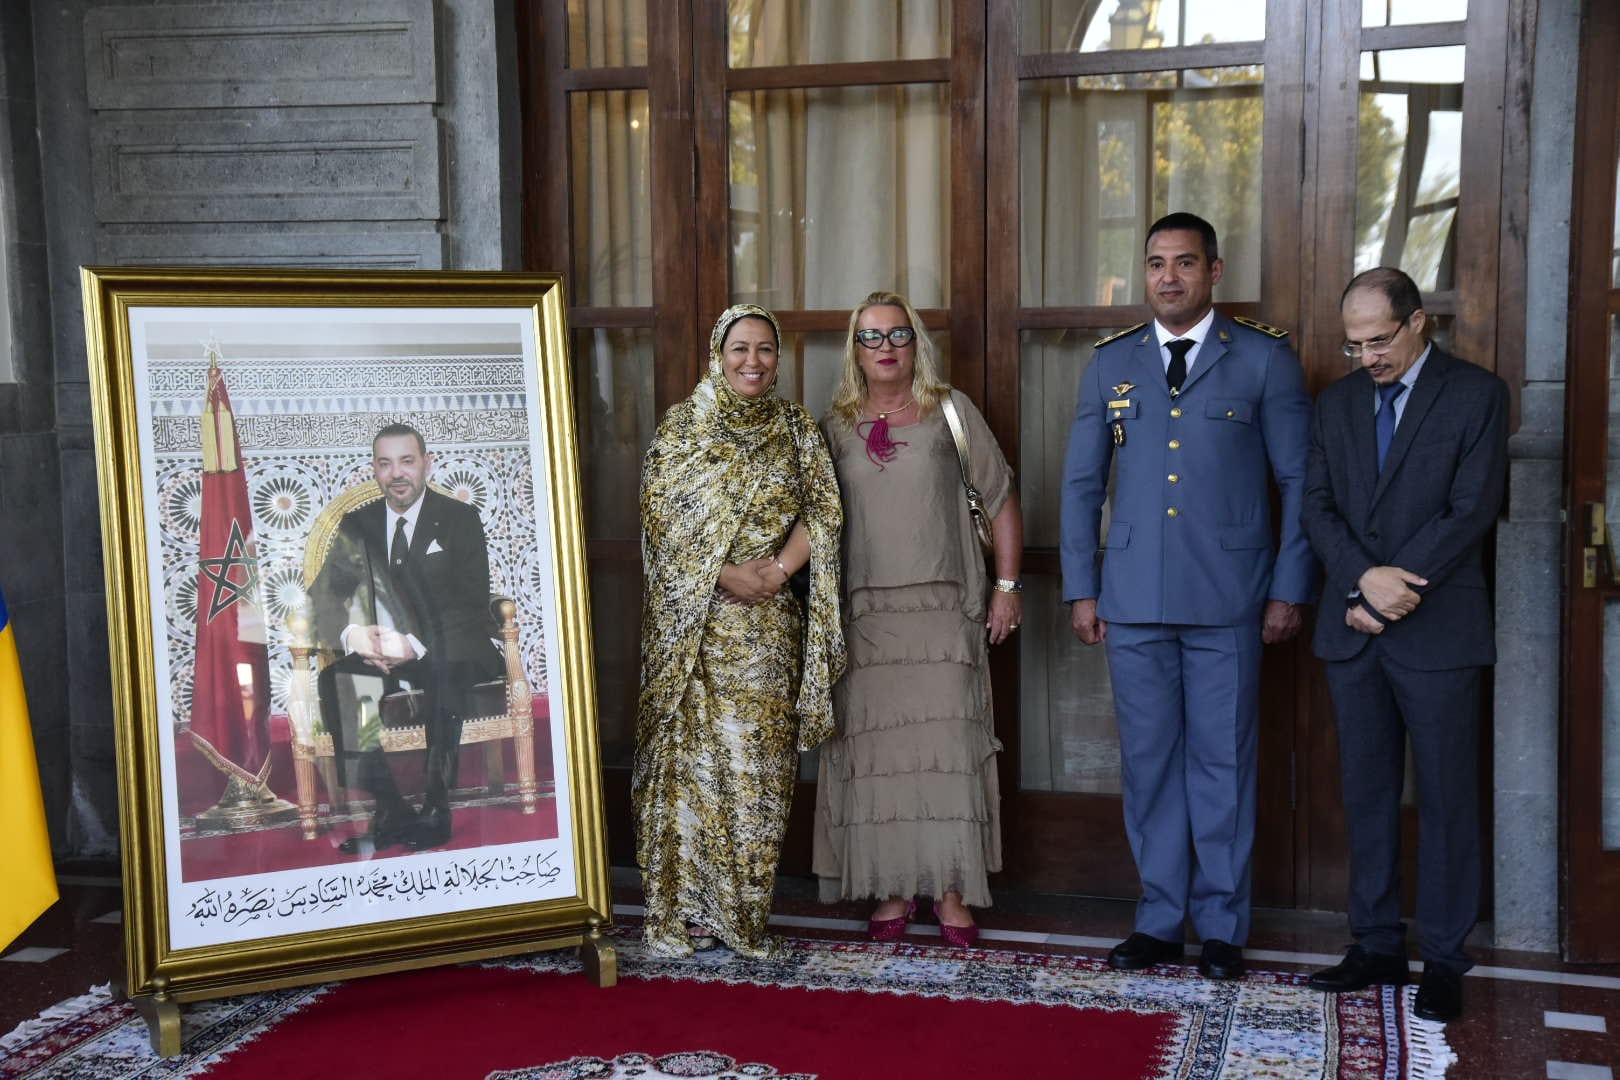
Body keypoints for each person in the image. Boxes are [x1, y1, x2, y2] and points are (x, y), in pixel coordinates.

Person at [1060, 212, 1316, 980]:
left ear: (1215, 272)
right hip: (1132, 597)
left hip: (1230, 598)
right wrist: (1082, 588)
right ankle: (1160, 918)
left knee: (1222, 764)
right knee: (1149, 764)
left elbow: (1300, 482)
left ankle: (1224, 925)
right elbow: (1080, 486)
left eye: (1184, 263)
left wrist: (1288, 587)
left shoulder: (1264, 361)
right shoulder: (1111, 364)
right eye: (1155, 263)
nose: (1168, 277)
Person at [1300, 268, 1508, 1023]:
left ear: (1419, 323)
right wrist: (1361, 581)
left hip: (1439, 631)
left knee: (1449, 799)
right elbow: (1316, 506)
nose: (1367, 358)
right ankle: (1377, 943)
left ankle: (1446, 958)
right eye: (1353, 345)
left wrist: (1391, 591)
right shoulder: (1337, 401)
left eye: (1379, 341)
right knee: (1367, 795)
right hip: (1354, 628)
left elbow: (1471, 508)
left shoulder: (1478, 395)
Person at [634, 304, 846, 959]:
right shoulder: (682, 429)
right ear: (716, 354)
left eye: (764, 350)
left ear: (778, 358)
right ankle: (687, 910)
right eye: (739, 349)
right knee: (692, 775)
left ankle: (744, 914)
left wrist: (778, 571)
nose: (752, 361)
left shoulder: (794, 428)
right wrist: (723, 575)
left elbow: (826, 509)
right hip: (694, 633)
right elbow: (661, 527)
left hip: (768, 633)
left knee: (758, 775)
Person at [812, 290, 1022, 948]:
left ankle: (952, 892)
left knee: (948, 757)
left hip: (942, 613)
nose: (884, 348)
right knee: (881, 761)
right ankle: (894, 887)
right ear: (855, 348)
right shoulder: (833, 425)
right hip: (865, 617)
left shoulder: (952, 413)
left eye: (897, 335)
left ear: (915, 344)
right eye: (870, 337)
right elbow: (814, 523)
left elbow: (1001, 499)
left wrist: (1008, 587)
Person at [308, 423, 503, 854]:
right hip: (386, 650)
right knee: (339, 681)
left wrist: (412, 645)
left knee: (443, 674)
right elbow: (321, 599)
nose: (397, 473)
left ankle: (437, 807)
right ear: (375, 471)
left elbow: (472, 602)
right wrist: (356, 635)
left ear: (426, 464)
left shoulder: (459, 519)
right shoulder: (357, 525)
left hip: (453, 646)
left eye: (407, 461)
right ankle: (390, 807)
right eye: (385, 463)